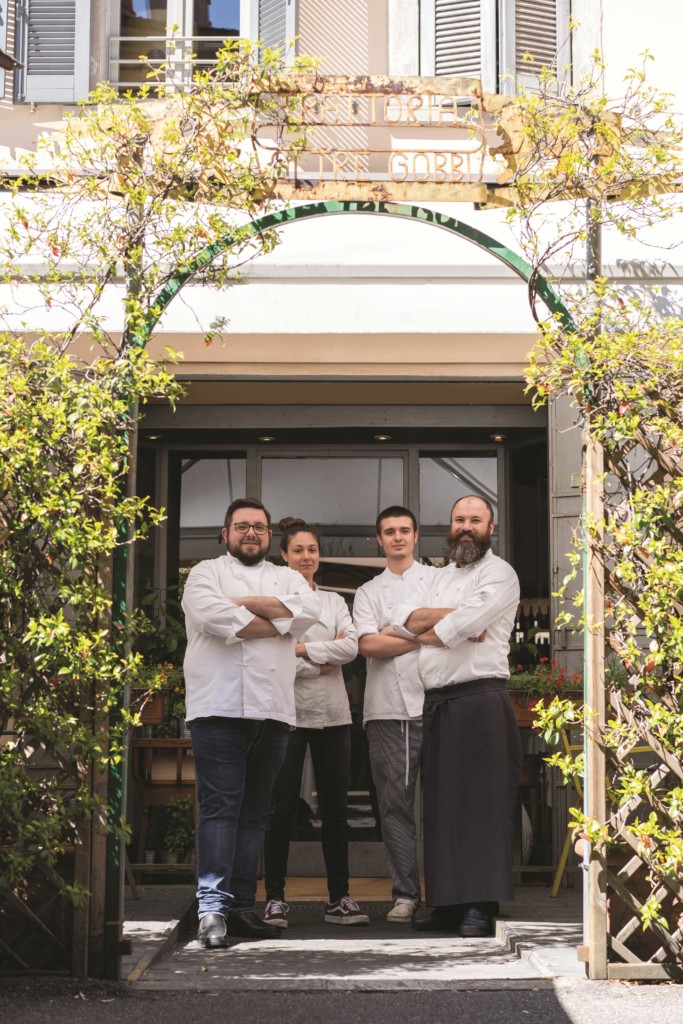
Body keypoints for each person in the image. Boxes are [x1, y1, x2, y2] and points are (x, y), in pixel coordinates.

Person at [181, 498, 322, 948]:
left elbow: (309, 612)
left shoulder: (288, 576)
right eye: (241, 526)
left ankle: (241, 906)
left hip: (273, 710)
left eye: (259, 527)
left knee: (256, 814)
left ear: (269, 536)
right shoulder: (205, 574)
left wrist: (243, 605)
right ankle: (212, 910)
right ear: (225, 533)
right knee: (221, 810)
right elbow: (215, 617)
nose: (251, 534)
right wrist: (278, 622)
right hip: (217, 708)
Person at [391, 494, 522, 938]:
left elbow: (469, 627)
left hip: (480, 699)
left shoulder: (500, 573)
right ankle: (447, 903)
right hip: (438, 702)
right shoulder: (437, 576)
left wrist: (438, 626)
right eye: (459, 519)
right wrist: (447, 621)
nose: (466, 526)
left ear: (490, 528)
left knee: (482, 805)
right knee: (442, 807)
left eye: (475, 520)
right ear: (449, 525)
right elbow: (402, 621)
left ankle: (480, 906)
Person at [263, 518, 369, 928]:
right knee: (281, 809)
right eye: (297, 551)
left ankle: (340, 898)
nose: (306, 557)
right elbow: (276, 657)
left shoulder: (333, 603)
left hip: (333, 715)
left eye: (312, 550)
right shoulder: (274, 601)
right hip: (286, 715)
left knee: (336, 810)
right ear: (284, 556)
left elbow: (351, 647)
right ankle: (274, 899)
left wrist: (303, 649)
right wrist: (317, 661)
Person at [352, 506, 438, 923]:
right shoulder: (369, 591)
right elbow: (368, 647)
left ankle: (446, 892)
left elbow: (454, 631)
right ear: (379, 540)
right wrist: (421, 638)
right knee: (395, 805)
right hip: (386, 709)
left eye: (404, 530)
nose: (398, 537)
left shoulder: (439, 581)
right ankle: (405, 893)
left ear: (416, 535)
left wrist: (395, 632)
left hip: (437, 703)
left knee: (443, 804)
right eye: (390, 531)